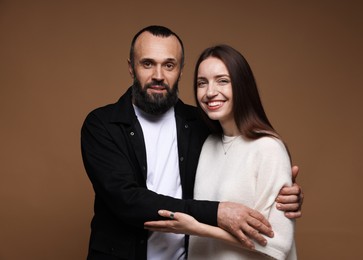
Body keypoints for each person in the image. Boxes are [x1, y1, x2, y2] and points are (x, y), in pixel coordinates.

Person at [81, 25, 303, 260]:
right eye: (147, 63)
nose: (158, 75)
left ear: (180, 71)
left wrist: (283, 191)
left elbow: (243, 157)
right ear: (131, 67)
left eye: (169, 65)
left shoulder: (201, 124)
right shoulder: (102, 124)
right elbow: (127, 200)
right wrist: (217, 213)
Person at [144, 44, 297, 259]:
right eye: (202, 83)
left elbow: (278, 242)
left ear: (242, 86)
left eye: (223, 81)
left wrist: (196, 228)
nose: (210, 92)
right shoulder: (207, 144)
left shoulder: (267, 147)